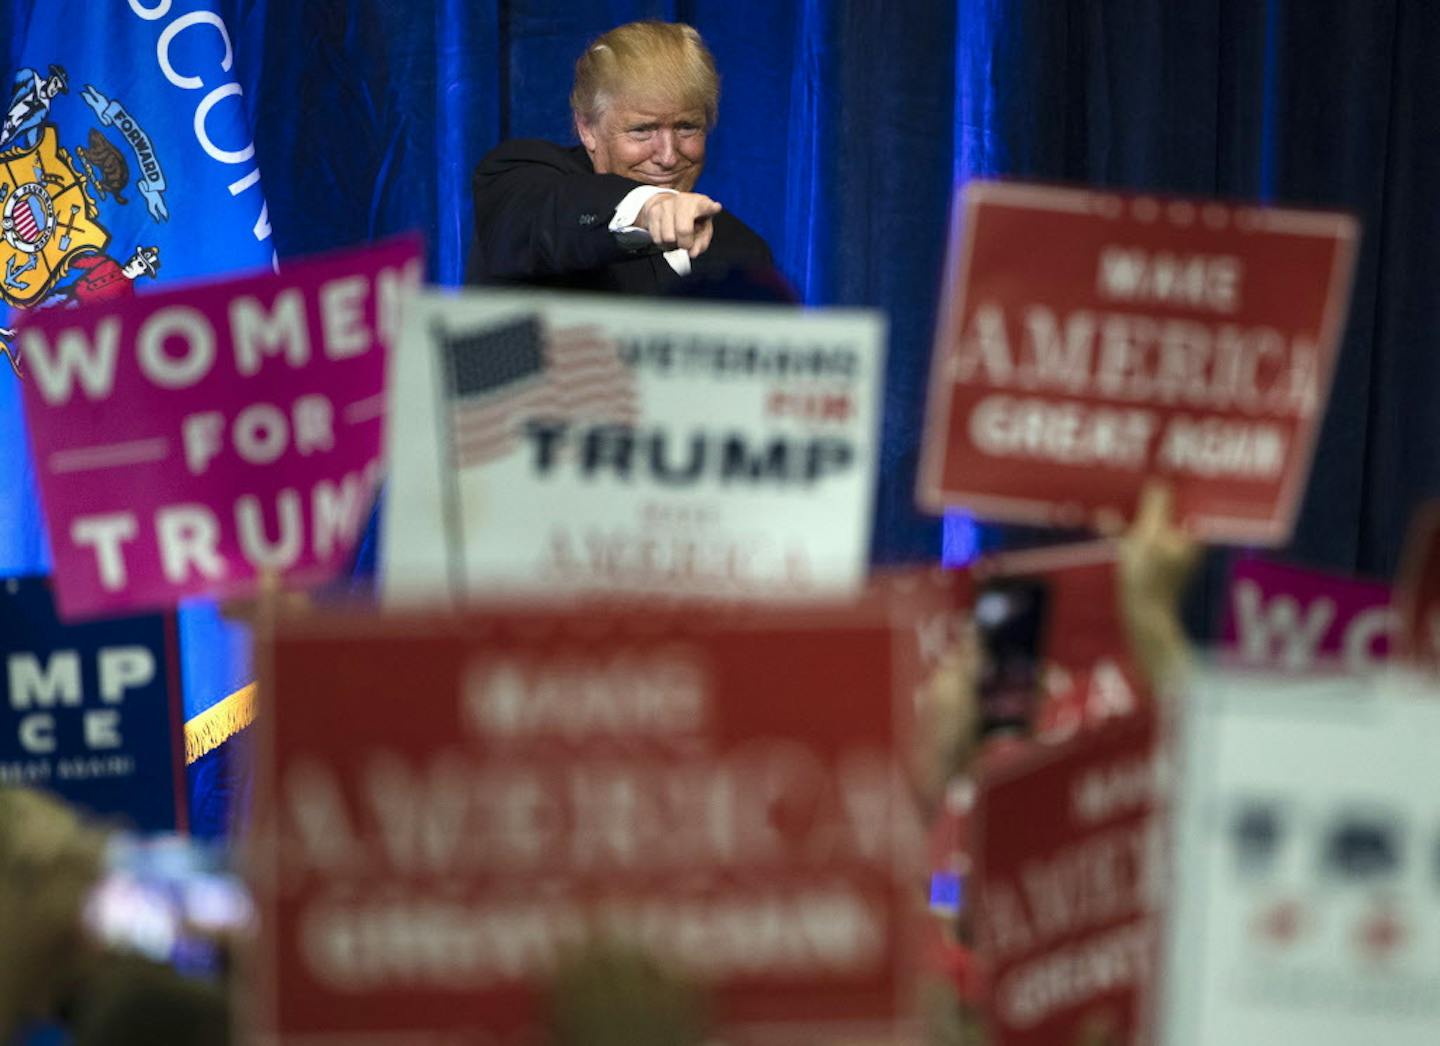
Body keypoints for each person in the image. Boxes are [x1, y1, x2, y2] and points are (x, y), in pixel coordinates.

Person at [466, 20, 774, 293]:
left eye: (686, 127)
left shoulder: (744, 251)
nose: (668, 156)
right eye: (642, 130)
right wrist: (647, 207)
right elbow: (553, 216)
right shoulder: (520, 186)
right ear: (586, 128)